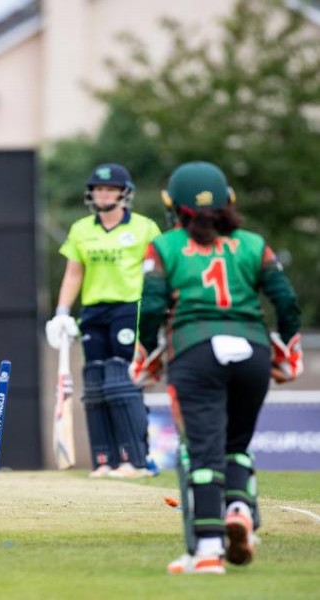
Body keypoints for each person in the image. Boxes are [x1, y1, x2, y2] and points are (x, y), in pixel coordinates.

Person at [130, 161, 302, 575]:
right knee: (237, 445)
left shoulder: (166, 246)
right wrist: (286, 345)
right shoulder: (253, 243)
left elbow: (151, 306)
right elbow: (286, 301)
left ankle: (208, 550)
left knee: (203, 453)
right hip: (253, 353)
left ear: (176, 208)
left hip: (196, 351)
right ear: (229, 202)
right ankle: (240, 509)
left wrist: (148, 351)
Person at [45, 163, 161, 478]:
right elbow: (74, 272)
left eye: (109, 189)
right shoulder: (82, 229)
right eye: (98, 189)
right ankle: (104, 459)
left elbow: (157, 274)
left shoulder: (145, 228)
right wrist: (62, 312)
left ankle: (135, 458)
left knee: (121, 381)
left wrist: (157, 312)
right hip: (94, 311)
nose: (103, 194)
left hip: (129, 307)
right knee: (95, 383)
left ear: (124, 193)